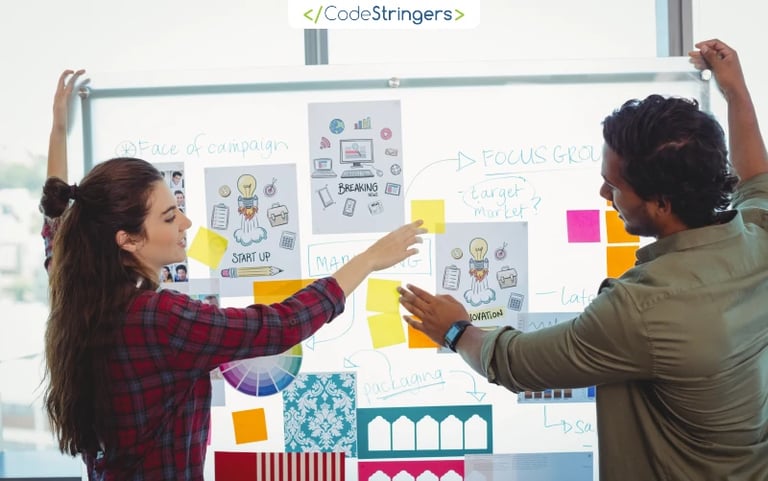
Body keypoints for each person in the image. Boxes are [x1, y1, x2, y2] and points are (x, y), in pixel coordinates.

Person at [399, 39, 768, 481]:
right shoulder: (757, 239)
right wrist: (735, 91)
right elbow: (757, 180)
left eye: (614, 186)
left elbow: (518, 364)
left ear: (661, 202)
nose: (603, 193)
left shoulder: (642, 310)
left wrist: (456, 330)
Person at [40, 72, 428, 481]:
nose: (186, 223)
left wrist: (58, 131)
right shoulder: (159, 318)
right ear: (128, 240)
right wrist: (368, 260)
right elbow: (279, 325)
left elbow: (56, 226)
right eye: (170, 217)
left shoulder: (79, 295)